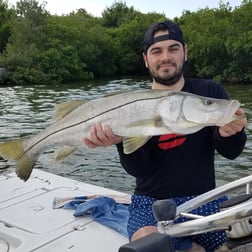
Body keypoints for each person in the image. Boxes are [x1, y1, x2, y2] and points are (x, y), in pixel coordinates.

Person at [83, 20, 247, 251]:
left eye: (173, 48)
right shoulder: (130, 106)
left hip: (205, 199)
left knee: (243, 240)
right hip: (150, 203)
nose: (165, 57)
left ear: (185, 52)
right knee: (150, 244)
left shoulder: (209, 92)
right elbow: (139, 171)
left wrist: (230, 133)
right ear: (146, 59)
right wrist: (120, 143)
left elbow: (232, 153)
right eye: (156, 51)